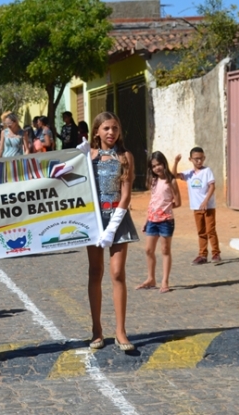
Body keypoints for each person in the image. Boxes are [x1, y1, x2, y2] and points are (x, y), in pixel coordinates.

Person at [77, 111, 138, 352]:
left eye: (115, 128)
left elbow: (126, 194)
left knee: (117, 273)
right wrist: (78, 158)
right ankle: (96, 330)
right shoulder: (88, 156)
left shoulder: (125, 156)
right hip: (94, 220)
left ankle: (121, 331)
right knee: (95, 272)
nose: (111, 132)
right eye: (106, 128)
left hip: (118, 219)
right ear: (96, 132)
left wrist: (113, 227)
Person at [136, 151, 181, 293]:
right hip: (152, 221)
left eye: (159, 164)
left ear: (164, 163)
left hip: (166, 221)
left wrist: (165, 209)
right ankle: (151, 279)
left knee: (165, 250)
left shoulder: (171, 181)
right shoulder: (153, 181)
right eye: (154, 166)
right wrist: (146, 220)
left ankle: (165, 281)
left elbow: (178, 202)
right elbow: (152, 202)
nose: (157, 168)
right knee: (148, 250)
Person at [172, 147, 220, 264]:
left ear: (204, 158)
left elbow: (212, 186)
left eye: (201, 158)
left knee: (210, 230)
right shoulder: (189, 173)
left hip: (208, 207)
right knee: (201, 231)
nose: (199, 161)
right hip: (196, 207)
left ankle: (216, 253)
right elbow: (173, 175)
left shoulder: (207, 171)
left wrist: (206, 201)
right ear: (190, 159)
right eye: (196, 159)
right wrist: (176, 162)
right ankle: (202, 255)